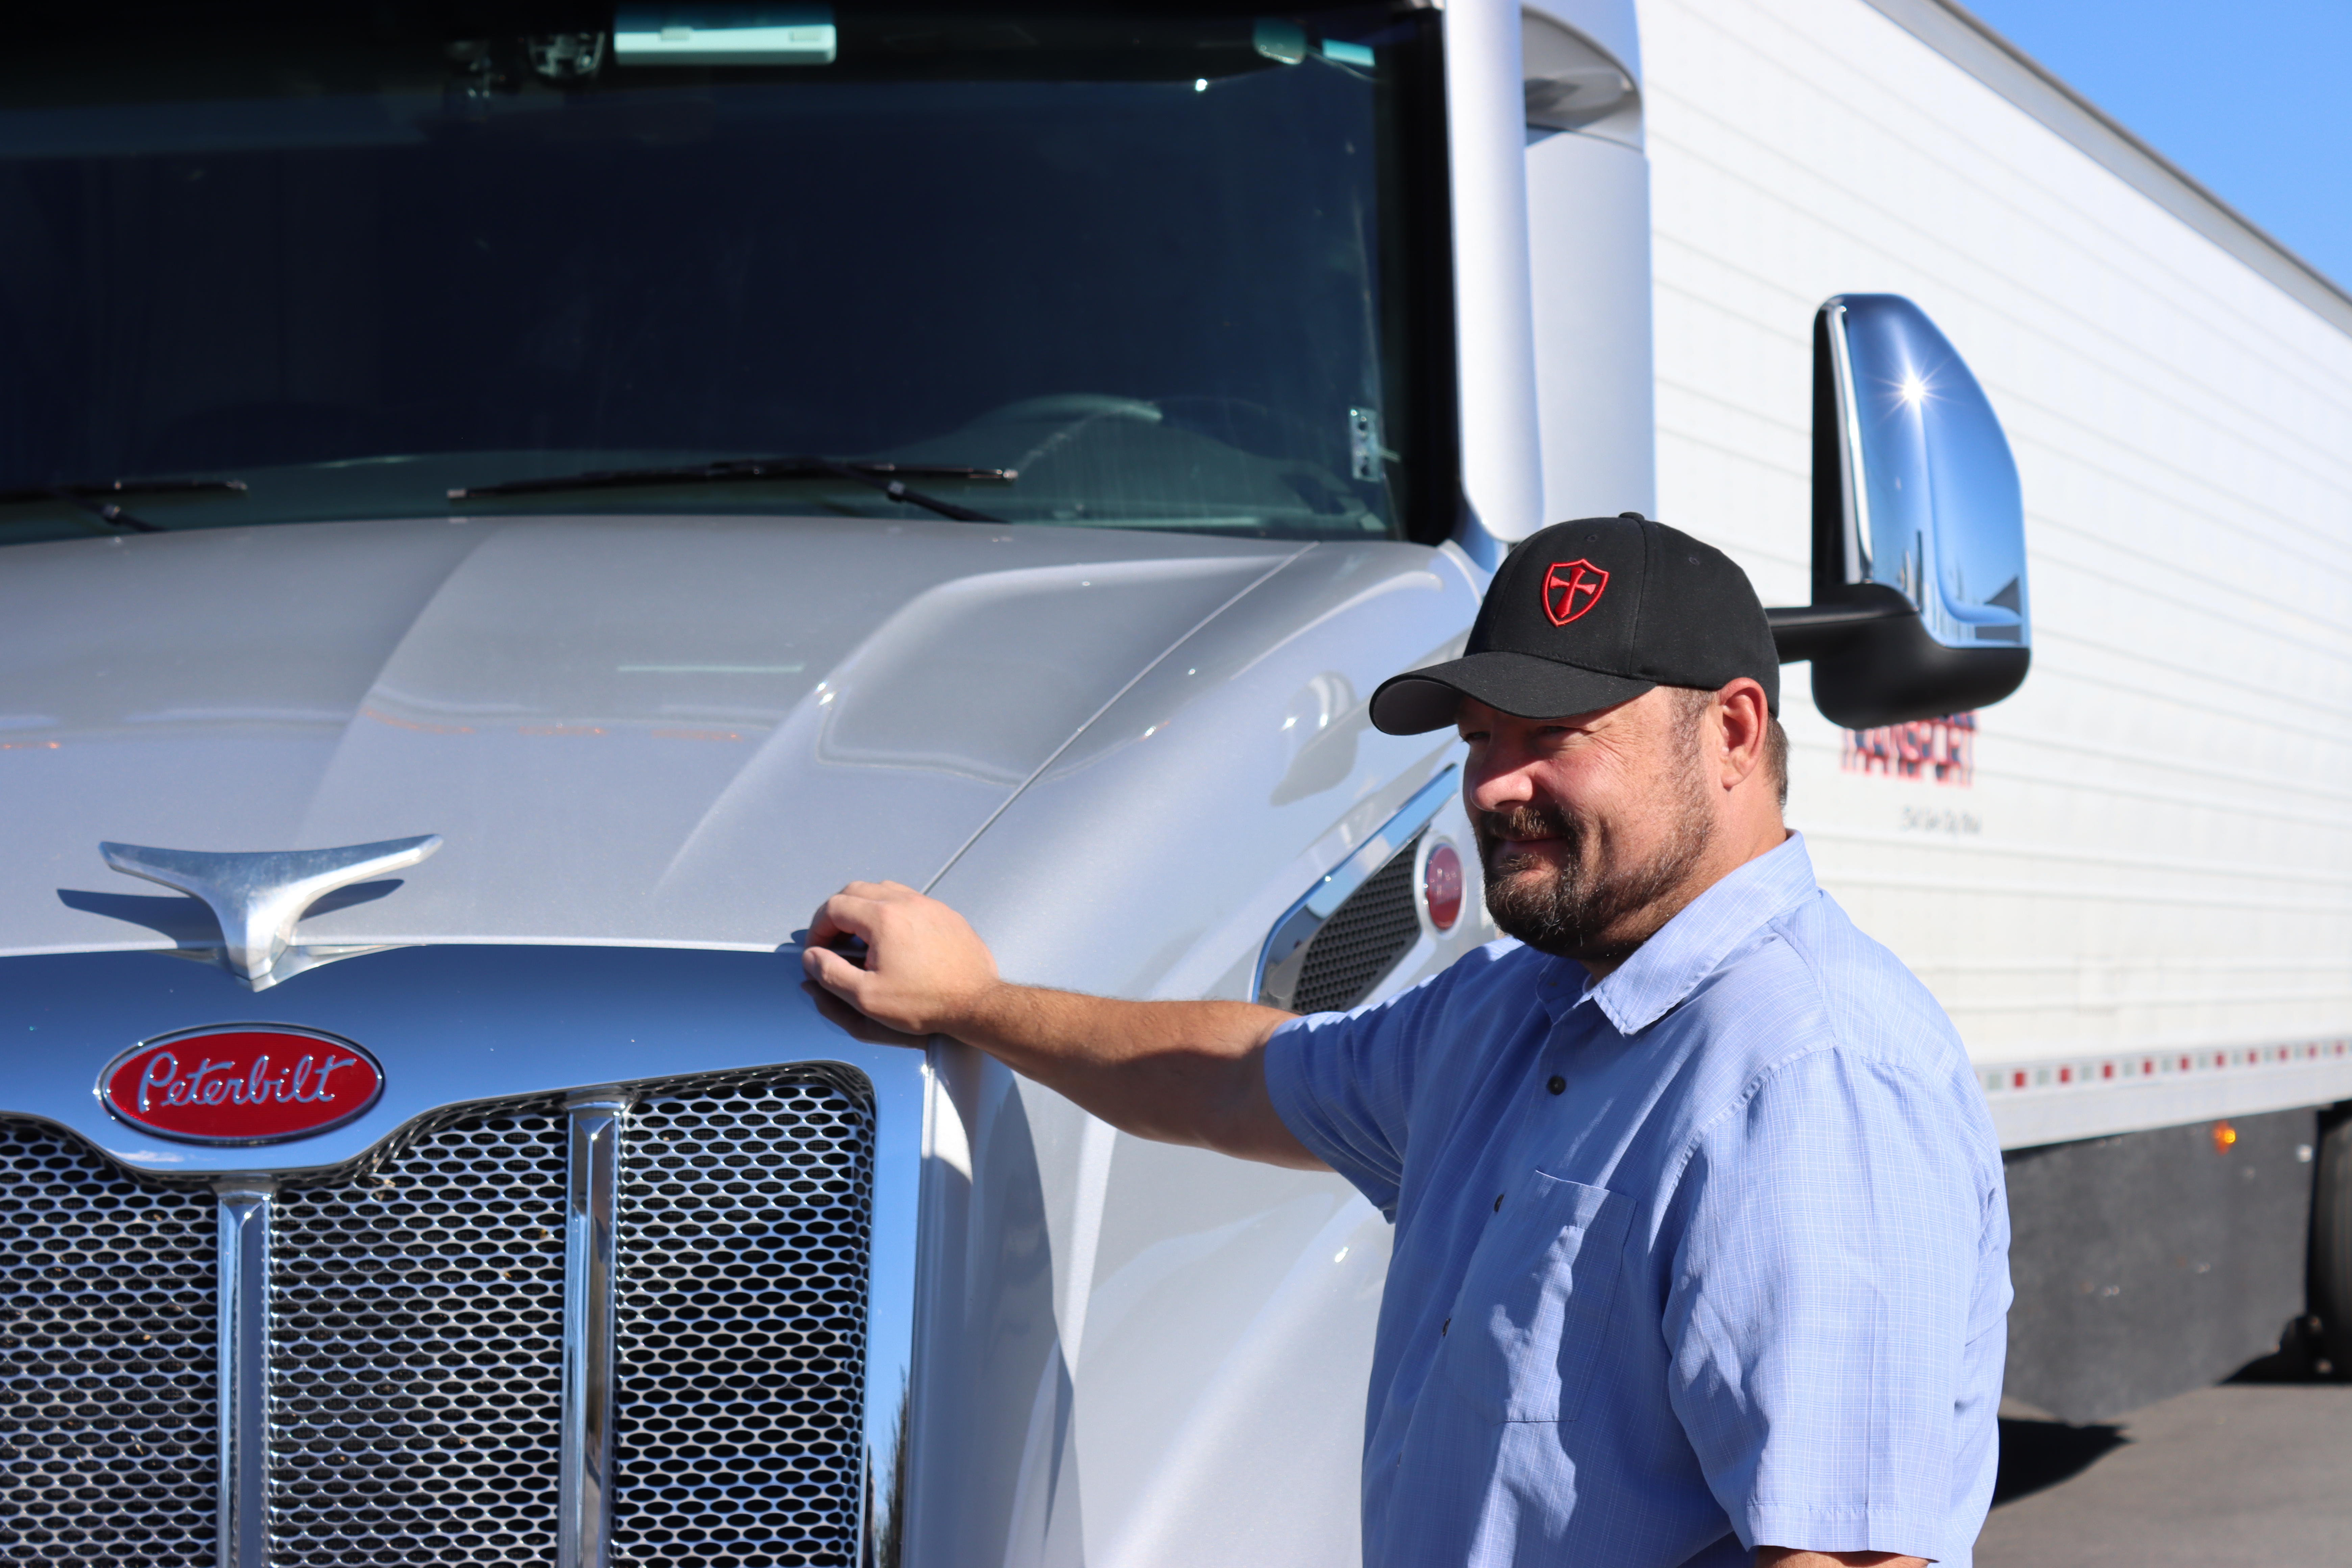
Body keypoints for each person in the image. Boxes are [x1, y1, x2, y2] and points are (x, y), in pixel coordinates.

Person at [803, 515, 2011, 1568]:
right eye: (1481, 737)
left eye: (1554, 732)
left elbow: (1848, 1558)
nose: (1491, 786)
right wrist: (976, 1002)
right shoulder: (1512, 1009)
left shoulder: (1810, 1077)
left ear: (1735, 733)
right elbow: (1235, 1080)